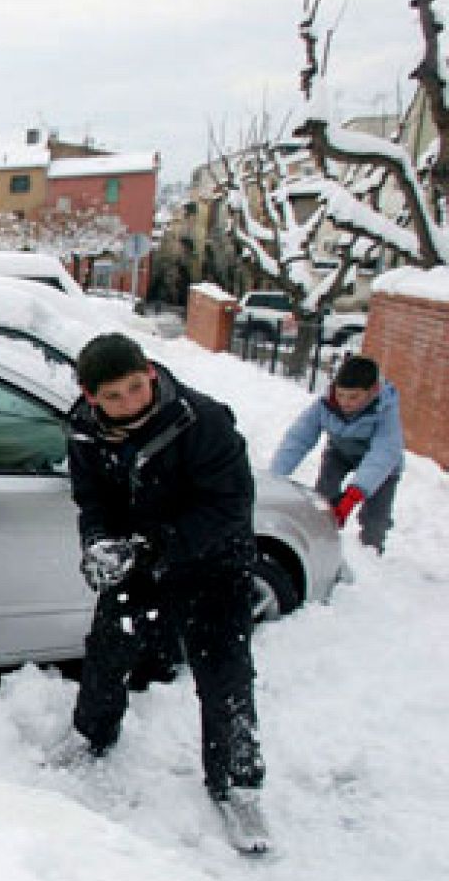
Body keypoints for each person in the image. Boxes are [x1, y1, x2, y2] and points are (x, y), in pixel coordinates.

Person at [54, 333, 270, 854]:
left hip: (214, 563)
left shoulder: (203, 420)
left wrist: (151, 545)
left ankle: (238, 785)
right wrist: (101, 543)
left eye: (136, 387)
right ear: (90, 397)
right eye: (114, 396)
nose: (130, 403)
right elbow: (94, 499)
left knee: (225, 675)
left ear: (150, 372)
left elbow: (229, 507)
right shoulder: (84, 434)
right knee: (110, 648)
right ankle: (92, 733)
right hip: (139, 560)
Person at [270, 355, 403, 553]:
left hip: (382, 466)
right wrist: (275, 476)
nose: (344, 403)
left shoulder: (385, 410)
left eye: (353, 397)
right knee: (323, 499)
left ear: (373, 391)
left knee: (375, 518)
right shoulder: (325, 404)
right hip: (339, 454)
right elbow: (298, 438)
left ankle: (371, 554)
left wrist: (354, 494)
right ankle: (320, 545)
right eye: (340, 395)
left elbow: (384, 453)